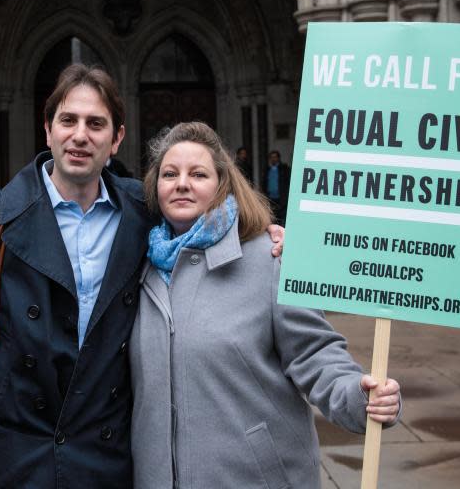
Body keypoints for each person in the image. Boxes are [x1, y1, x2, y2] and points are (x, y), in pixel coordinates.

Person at [0, 66, 285, 487]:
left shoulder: (142, 211)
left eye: (96, 123)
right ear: (47, 129)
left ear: (117, 138)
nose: (80, 136)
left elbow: (205, 223)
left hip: (103, 453)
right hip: (15, 453)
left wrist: (261, 234)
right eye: (68, 120)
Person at [130, 122, 400, 489]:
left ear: (222, 184)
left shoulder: (268, 259)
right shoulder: (137, 267)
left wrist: (357, 395)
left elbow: (315, 354)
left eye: (198, 174)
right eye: (169, 174)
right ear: (155, 186)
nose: (181, 184)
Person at [265, 149, 290, 223]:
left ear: (278, 158)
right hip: (270, 198)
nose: (273, 159)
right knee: (272, 218)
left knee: (281, 218)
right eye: (271, 157)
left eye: (275, 157)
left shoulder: (284, 169)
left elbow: (288, 182)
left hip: (281, 198)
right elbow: (264, 183)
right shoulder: (267, 169)